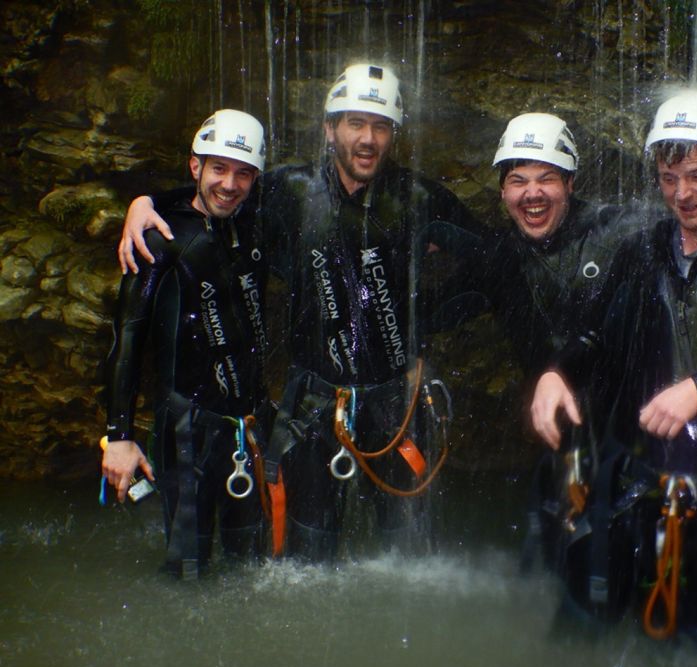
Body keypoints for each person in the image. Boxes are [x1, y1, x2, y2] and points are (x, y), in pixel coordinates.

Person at [116, 63, 484, 563]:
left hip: (393, 399)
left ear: (393, 135)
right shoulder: (289, 190)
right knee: (308, 559)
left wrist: (424, 324)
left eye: (379, 126)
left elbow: (495, 260)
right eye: (355, 123)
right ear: (330, 129)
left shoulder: (418, 198)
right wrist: (147, 201)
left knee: (409, 555)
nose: (368, 138)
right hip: (312, 400)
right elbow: (219, 194)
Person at [487, 112, 697, 625]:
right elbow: (597, 332)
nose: (682, 193)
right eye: (669, 178)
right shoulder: (647, 248)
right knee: (597, 623)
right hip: (646, 491)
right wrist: (554, 374)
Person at [103, 109, 270, 579]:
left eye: (243, 173)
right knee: (187, 570)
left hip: (249, 425)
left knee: (251, 567)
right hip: (186, 432)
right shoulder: (158, 241)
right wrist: (119, 436)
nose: (229, 184)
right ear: (195, 167)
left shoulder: (253, 224)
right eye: (218, 168)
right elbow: (127, 339)